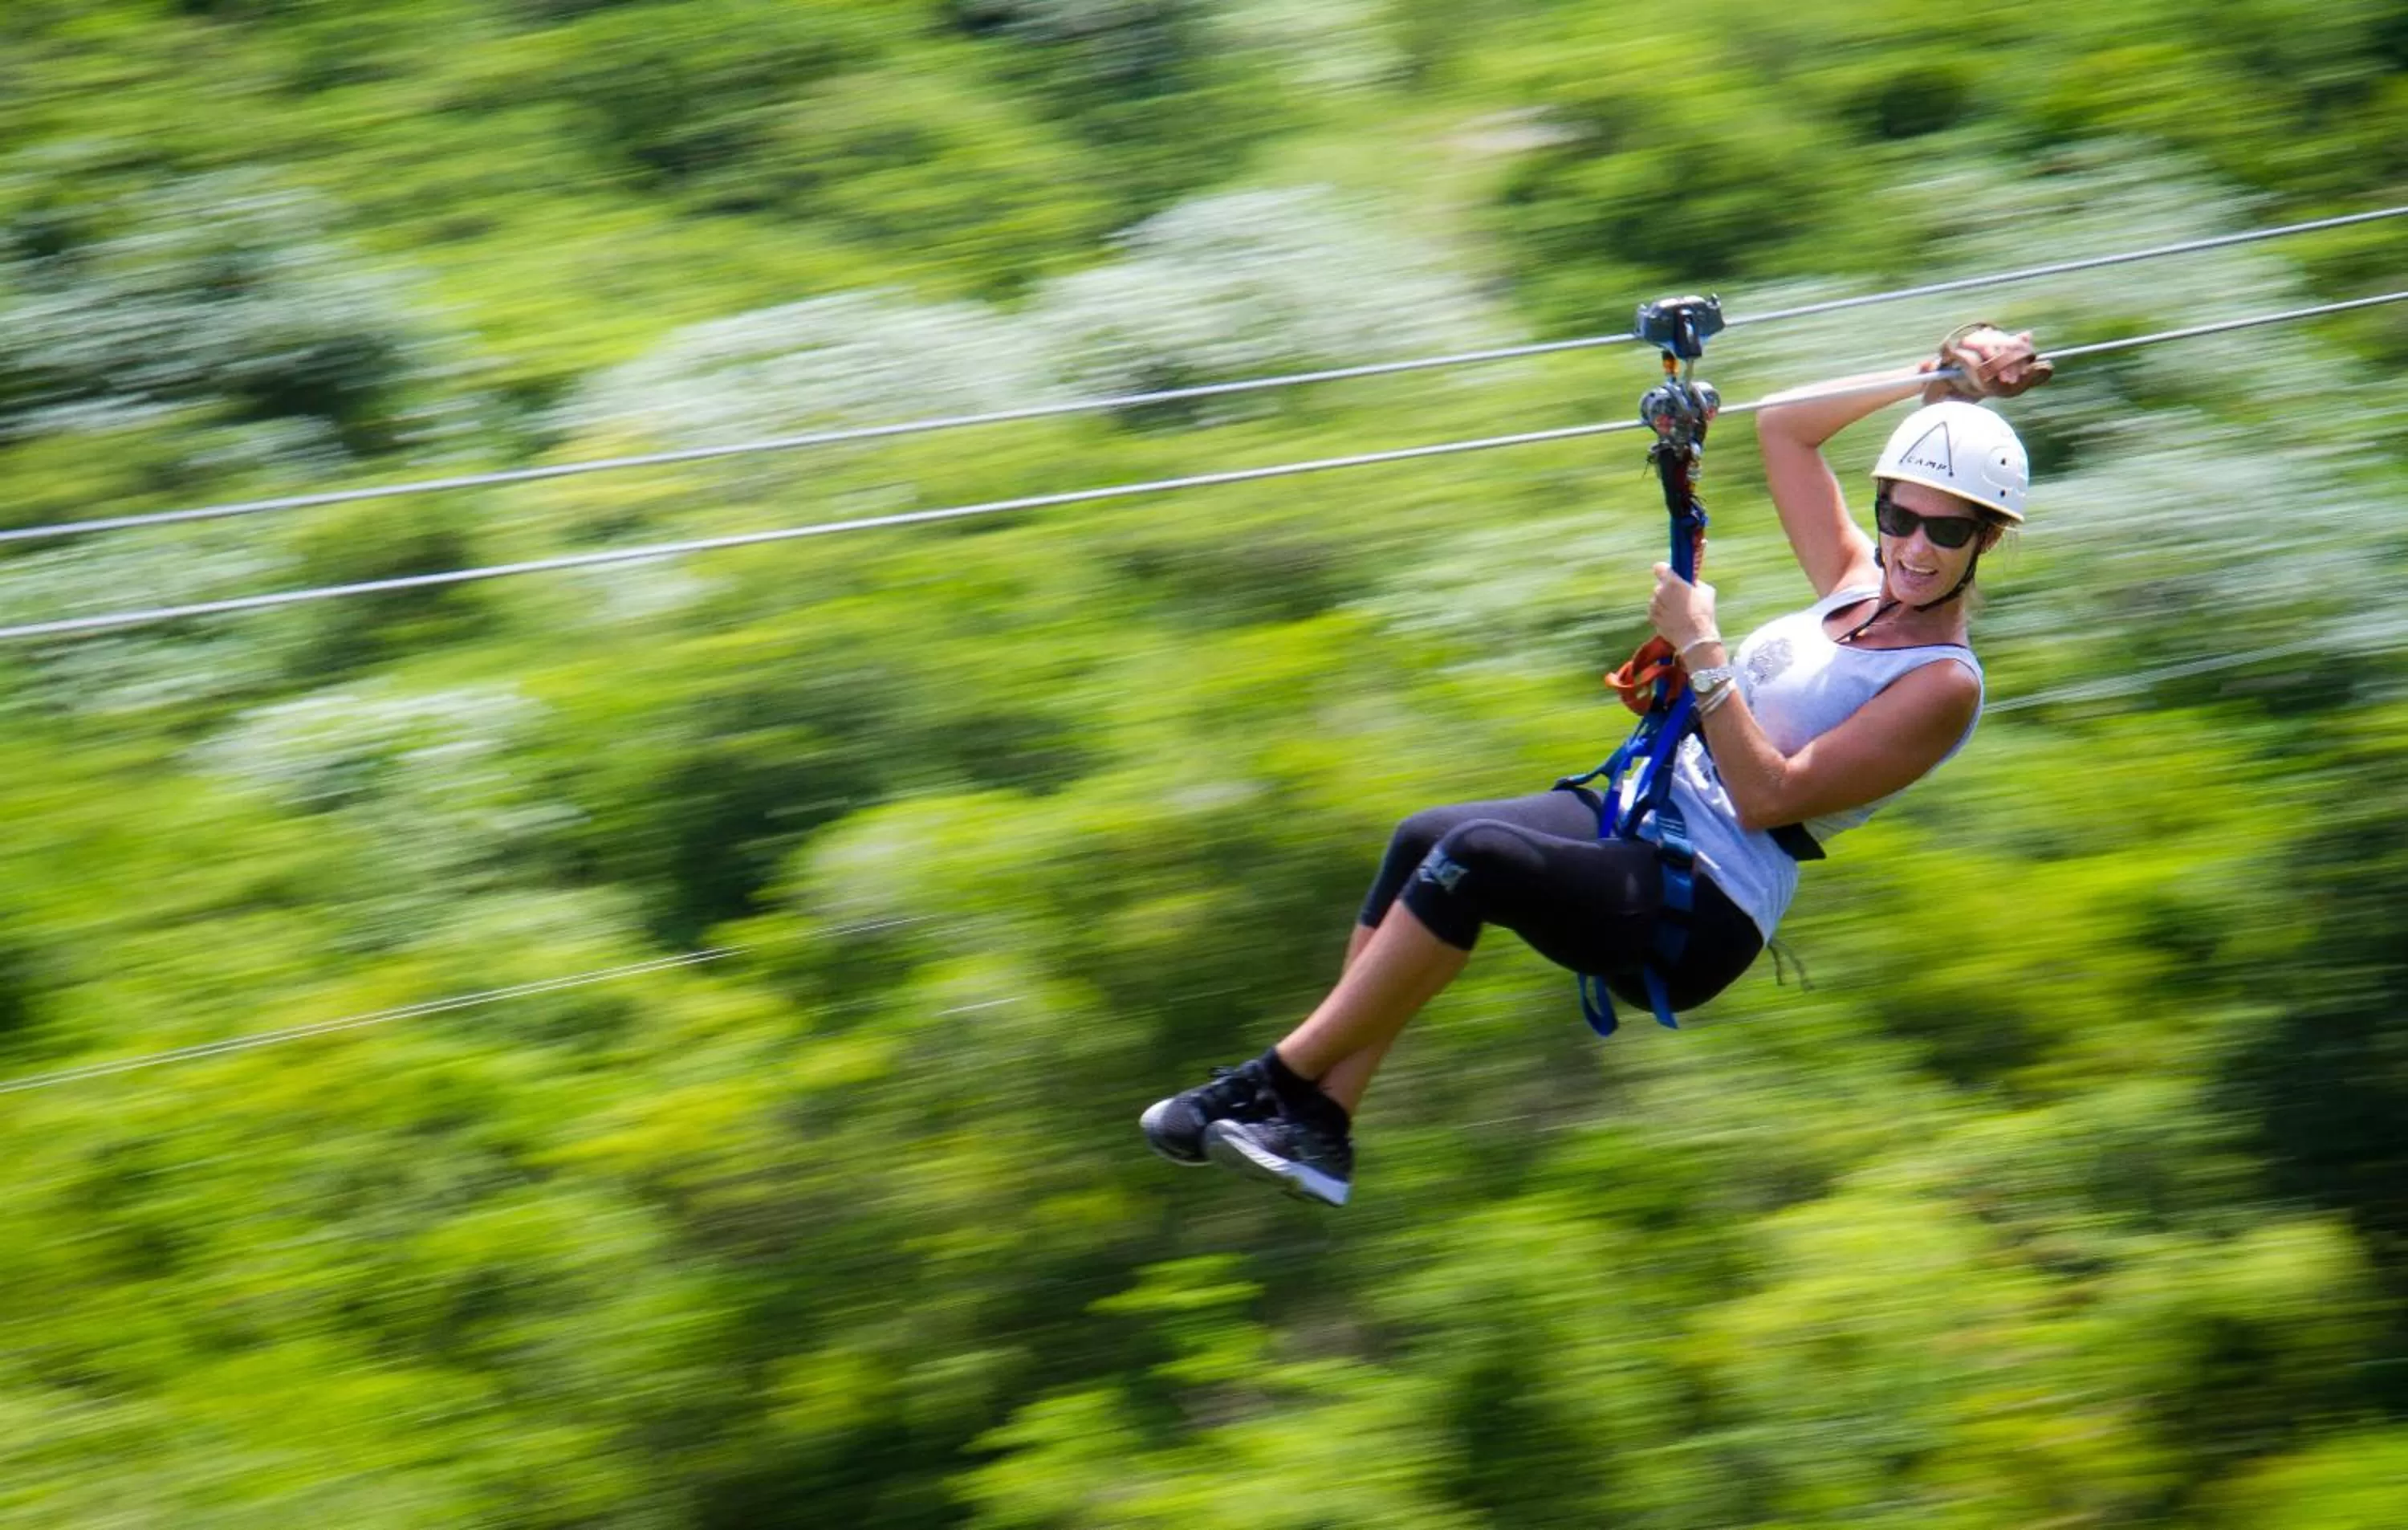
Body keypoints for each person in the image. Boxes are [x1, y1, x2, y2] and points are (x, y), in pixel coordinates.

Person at [1142, 325, 2051, 1206]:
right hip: (1648, 828)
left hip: (1706, 902)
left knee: (1480, 861)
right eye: (1900, 515)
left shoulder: (1942, 685)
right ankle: (1324, 1121)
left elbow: (1768, 796)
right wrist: (1933, 375)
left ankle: (1262, 1085)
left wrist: (1702, 650)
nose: (1915, 548)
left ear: (1987, 541)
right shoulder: (1855, 583)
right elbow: (1784, 423)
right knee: (1428, 836)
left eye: (1949, 531)